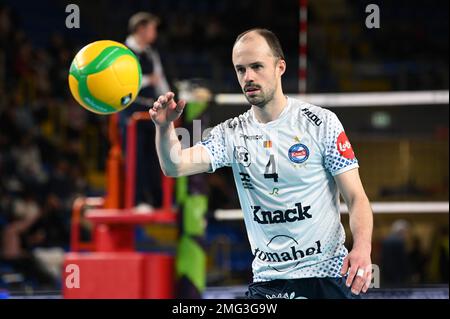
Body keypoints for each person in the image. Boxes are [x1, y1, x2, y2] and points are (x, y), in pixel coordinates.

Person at [149, 28, 373, 299]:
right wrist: (164, 128)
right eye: (241, 69)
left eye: (256, 66)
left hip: (326, 277)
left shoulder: (321, 123)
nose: (248, 77)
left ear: (280, 67)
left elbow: (356, 197)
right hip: (269, 282)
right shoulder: (230, 133)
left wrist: (362, 248)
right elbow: (175, 166)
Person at [120, 12, 171, 207]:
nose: (155, 33)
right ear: (141, 29)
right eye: (152, 28)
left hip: (151, 110)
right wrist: (149, 80)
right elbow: (120, 81)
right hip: (131, 110)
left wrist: (168, 99)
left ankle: (159, 200)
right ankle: (137, 200)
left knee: (155, 154)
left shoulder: (150, 52)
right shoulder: (123, 52)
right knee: (135, 157)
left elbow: (160, 79)